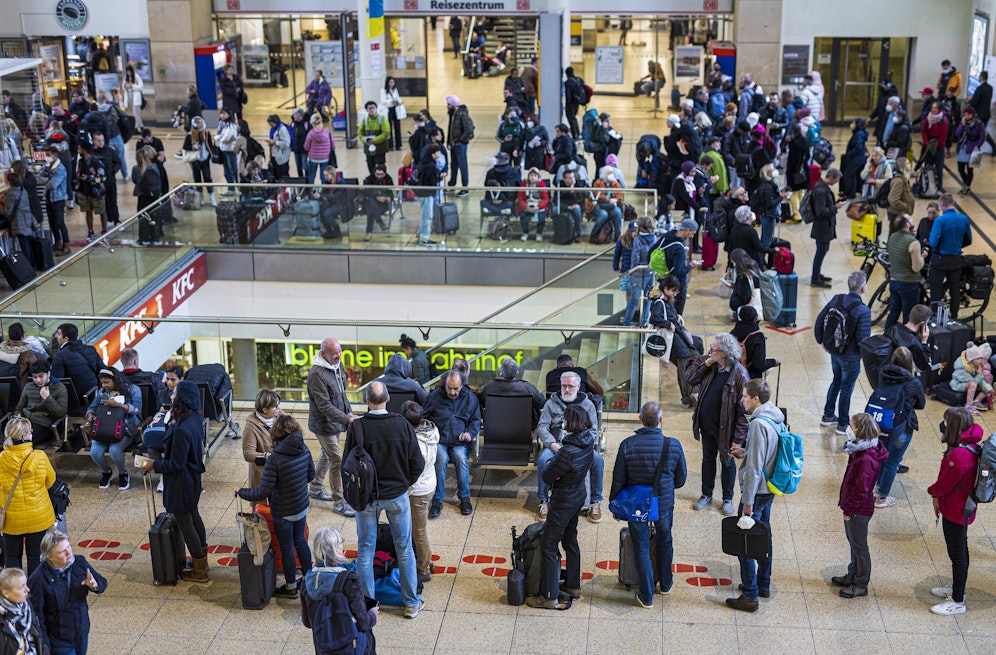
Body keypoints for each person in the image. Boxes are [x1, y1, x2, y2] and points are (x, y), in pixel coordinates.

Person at [345, 381, 426, 618]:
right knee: (404, 550)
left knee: (365, 550)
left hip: (366, 498)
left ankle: (369, 606)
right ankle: (411, 603)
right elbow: (417, 463)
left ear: (367, 401)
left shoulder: (357, 428)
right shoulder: (402, 425)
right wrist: (404, 483)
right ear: (388, 399)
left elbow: (347, 465)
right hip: (397, 496)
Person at [609, 400, 686, 608]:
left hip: (636, 503)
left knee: (641, 547)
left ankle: (646, 595)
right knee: (665, 539)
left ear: (640, 419)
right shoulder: (673, 444)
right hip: (663, 501)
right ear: (661, 420)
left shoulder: (627, 444)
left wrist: (615, 504)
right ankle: (666, 583)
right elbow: (681, 479)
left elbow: (618, 479)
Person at [138, 380, 209, 583]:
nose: (171, 397)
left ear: (181, 400)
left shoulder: (181, 429)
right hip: (192, 480)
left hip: (181, 484)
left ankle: (199, 568)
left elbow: (176, 463)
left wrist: (153, 465)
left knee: (186, 524)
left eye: (174, 394)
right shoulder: (195, 419)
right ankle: (202, 560)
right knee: (194, 516)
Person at [526, 404, 595, 610]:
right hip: (578, 496)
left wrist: (552, 466)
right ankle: (573, 585)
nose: (563, 423)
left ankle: (548, 596)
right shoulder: (588, 441)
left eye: (565, 419)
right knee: (570, 540)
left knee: (548, 545)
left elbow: (547, 475)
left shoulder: (568, 451)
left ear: (571, 423)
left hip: (563, 501)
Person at [237, 414, 315, 598]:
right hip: (302, 505)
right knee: (301, 541)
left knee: (287, 546)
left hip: (284, 511)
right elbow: (311, 475)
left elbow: (262, 492)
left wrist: (241, 491)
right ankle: (310, 581)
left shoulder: (275, 459)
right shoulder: (303, 448)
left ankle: (290, 587)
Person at [725, 378, 782, 612]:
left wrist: (747, 503)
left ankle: (749, 595)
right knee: (764, 533)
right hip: (769, 488)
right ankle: (763, 583)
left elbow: (755, 468)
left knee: (745, 542)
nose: (741, 400)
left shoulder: (758, 424)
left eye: (745, 396)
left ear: (756, 399)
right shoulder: (774, 414)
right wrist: (745, 451)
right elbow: (764, 450)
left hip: (757, 491)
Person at [685, 333, 749, 516]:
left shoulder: (739, 375)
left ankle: (727, 498)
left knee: (727, 462)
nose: (709, 351)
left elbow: (744, 413)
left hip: (726, 430)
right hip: (707, 425)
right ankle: (706, 494)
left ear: (725, 353)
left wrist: (738, 440)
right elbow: (689, 379)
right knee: (707, 459)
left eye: (714, 349)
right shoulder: (709, 363)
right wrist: (705, 363)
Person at [926, 407, 981, 615]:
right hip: (961, 506)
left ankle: (958, 600)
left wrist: (932, 492)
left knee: (957, 554)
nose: (943, 425)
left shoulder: (959, 454)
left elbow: (945, 484)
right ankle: (958, 588)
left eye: (946, 422)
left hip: (956, 509)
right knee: (960, 550)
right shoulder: (968, 445)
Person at [829, 412, 888, 600]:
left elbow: (861, 490)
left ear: (860, 431)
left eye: (851, 426)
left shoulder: (865, 459)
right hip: (855, 507)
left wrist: (849, 509)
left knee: (860, 546)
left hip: (858, 510)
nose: (848, 429)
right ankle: (852, 574)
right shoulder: (861, 450)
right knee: (853, 542)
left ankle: (860, 583)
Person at [535, 371, 603, 522]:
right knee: (543, 460)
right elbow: (542, 428)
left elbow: (593, 432)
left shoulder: (588, 405)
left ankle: (595, 501)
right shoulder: (551, 404)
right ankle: (543, 500)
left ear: (578, 387)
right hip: (556, 446)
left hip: (581, 447)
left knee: (597, 460)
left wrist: (581, 446)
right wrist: (551, 444)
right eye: (564, 386)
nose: (566, 389)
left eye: (570, 386)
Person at [28, 531, 107, 655]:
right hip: (59, 641)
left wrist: (95, 585)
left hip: (81, 633)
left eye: (68, 547)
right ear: (49, 557)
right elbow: (37, 616)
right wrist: (44, 645)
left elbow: (103, 583)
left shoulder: (79, 562)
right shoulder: (38, 579)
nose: (69, 552)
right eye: (62, 551)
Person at [300, 526, 378, 650]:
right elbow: (363, 622)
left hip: (324, 646)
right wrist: (372, 613)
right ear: (336, 550)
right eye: (341, 542)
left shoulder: (307, 581)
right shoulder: (348, 581)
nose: (342, 545)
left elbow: (308, 622)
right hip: (351, 646)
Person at [816, 271, 873, 436]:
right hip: (851, 357)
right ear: (863, 288)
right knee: (846, 388)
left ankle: (828, 415)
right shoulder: (863, 311)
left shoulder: (837, 299)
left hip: (835, 352)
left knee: (836, 381)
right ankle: (842, 423)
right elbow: (863, 339)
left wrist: (822, 341)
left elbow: (821, 318)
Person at [871, 347, 926, 509]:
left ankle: (877, 486)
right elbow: (921, 404)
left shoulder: (883, 373)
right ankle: (881, 497)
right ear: (910, 363)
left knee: (882, 456)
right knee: (892, 461)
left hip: (880, 422)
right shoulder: (912, 381)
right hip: (901, 426)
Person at [306, 337, 355, 517]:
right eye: (334, 353)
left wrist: (348, 412)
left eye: (340, 351)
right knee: (337, 460)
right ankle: (339, 503)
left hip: (337, 422)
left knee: (327, 456)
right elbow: (324, 406)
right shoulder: (317, 375)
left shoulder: (337, 365)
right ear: (323, 353)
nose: (338, 355)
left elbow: (342, 392)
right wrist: (346, 419)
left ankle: (316, 487)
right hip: (324, 425)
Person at [0, 418, 56, 575]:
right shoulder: (39, 457)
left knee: (11, 555)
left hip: (11, 518)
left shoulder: (1, 459)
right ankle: (34, 593)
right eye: (30, 431)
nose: (32, 433)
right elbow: (50, 481)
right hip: (38, 516)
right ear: (24, 436)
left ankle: (14, 592)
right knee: (35, 556)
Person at [423, 370, 481, 518]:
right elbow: (424, 417)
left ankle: (464, 497)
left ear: (462, 385)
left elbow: (475, 420)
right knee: (440, 458)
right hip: (440, 440)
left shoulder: (469, 397)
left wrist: (470, 433)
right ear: (445, 384)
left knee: (460, 458)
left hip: (460, 441)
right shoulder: (434, 397)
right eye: (450, 388)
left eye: (456, 388)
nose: (453, 392)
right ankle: (437, 500)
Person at [85, 367, 141, 490]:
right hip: (104, 427)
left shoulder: (133, 390)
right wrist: (90, 415)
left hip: (125, 427)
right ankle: (106, 471)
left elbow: (137, 411)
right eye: (102, 383)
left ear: (115, 380)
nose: (104, 386)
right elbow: (92, 407)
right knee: (95, 452)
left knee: (114, 451)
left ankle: (123, 473)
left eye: (107, 382)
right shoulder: (102, 392)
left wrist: (119, 405)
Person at [402, 401, 437, 583]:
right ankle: (427, 559)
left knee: (419, 531)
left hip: (418, 491)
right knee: (419, 529)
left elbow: (413, 472)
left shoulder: (417, 444)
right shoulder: (430, 431)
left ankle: (423, 569)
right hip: (429, 484)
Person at [649, 277, 696, 407]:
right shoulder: (660, 302)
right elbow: (654, 318)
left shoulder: (666, 300)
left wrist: (677, 317)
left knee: (688, 364)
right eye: (673, 291)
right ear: (666, 289)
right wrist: (668, 323)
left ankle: (690, 396)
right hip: (674, 340)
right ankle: (688, 397)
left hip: (677, 338)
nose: (675, 294)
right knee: (684, 368)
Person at [929, 193, 972, 319]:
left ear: (942, 204)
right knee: (954, 290)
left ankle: (936, 317)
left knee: (935, 290)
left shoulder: (940, 220)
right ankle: (954, 316)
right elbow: (968, 240)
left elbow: (933, 242)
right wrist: (956, 246)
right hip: (956, 260)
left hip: (940, 260)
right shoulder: (964, 218)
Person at [884, 215, 925, 330]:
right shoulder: (914, 243)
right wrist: (922, 257)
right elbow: (916, 268)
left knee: (894, 312)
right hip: (908, 284)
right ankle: (906, 342)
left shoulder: (892, 237)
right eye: (910, 219)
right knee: (909, 317)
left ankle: (886, 337)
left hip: (894, 282)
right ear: (907, 224)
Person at [480, 359, 545, 429]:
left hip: (494, 431)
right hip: (524, 432)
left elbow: (481, 403)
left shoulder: (489, 388)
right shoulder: (528, 388)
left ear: (500, 373)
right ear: (517, 372)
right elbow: (541, 403)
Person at [15, 361, 67, 448]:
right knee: (11, 438)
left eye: (41, 376)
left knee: (22, 442)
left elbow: (61, 413)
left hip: (45, 424)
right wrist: (17, 419)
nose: (38, 380)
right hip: (27, 422)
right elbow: (19, 408)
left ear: (48, 374)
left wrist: (48, 398)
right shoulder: (28, 387)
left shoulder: (59, 388)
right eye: (34, 377)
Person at [809, 168, 845, 288]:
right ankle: (815, 278)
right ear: (831, 178)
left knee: (823, 250)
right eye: (836, 180)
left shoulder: (822, 186)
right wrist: (836, 207)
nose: (836, 183)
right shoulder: (821, 190)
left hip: (825, 227)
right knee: (820, 252)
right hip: (822, 227)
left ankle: (817, 274)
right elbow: (821, 211)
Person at [0, 568, 45, 654]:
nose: (27, 589)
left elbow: (39, 638)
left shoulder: (26, 605)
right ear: (6, 593)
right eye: (21, 587)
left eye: (26, 584)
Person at [243, 388, 280, 489]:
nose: (278, 409)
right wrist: (270, 457)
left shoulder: (278, 416)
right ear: (264, 410)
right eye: (275, 407)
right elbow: (248, 454)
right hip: (263, 475)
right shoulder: (251, 427)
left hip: (280, 472)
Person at [625, 216, 658, 327]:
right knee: (648, 298)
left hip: (639, 273)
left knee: (634, 299)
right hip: (651, 272)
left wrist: (632, 271)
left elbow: (635, 258)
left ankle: (627, 322)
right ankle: (644, 322)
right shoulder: (655, 238)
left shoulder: (638, 240)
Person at [730, 305, 778, 380]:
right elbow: (759, 364)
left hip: (733, 373)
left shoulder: (732, 333)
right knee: (769, 369)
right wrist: (773, 362)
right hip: (750, 376)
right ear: (755, 318)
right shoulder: (758, 337)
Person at [182, 116, 217, 207]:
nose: (200, 125)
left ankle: (212, 197)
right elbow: (185, 147)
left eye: (201, 122)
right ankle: (200, 198)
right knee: (197, 179)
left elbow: (210, 145)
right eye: (198, 123)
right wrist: (194, 147)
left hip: (205, 159)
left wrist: (210, 155)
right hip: (195, 160)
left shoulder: (206, 133)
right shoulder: (190, 135)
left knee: (207, 178)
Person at [41, 144, 70, 255]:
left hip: (58, 199)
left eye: (48, 155)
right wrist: (47, 181)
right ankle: (57, 242)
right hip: (49, 199)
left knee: (60, 223)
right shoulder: (48, 167)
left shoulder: (60, 168)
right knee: (52, 222)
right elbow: (40, 179)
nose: (46, 157)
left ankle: (66, 244)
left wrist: (46, 181)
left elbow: (53, 184)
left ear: (55, 155)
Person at [414, 144, 444, 246]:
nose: (439, 153)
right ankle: (424, 238)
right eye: (438, 152)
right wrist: (440, 177)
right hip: (427, 194)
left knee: (424, 215)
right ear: (432, 153)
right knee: (427, 216)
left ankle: (419, 234)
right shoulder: (431, 166)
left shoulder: (423, 162)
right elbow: (432, 180)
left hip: (420, 193)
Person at [950, 343, 993, 413]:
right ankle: (968, 406)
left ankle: (976, 401)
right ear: (971, 359)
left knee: (988, 387)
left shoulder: (975, 366)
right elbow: (973, 381)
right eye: (978, 358)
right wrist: (979, 374)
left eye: (981, 358)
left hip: (970, 383)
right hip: (958, 384)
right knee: (973, 384)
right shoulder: (962, 368)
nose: (981, 360)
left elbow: (980, 381)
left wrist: (989, 389)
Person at [726, 204, 771, 271]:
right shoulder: (751, 231)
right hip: (750, 264)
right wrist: (773, 250)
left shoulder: (734, 230)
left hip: (738, 263)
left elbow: (730, 248)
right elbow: (759, 247)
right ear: (747, 217)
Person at [955, 107, 985, 195]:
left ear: (972, 115)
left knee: (970, 169)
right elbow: (957, 134)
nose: (966, 116)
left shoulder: (979, 124)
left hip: (972, 149)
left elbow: (982, 137)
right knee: (960, 168)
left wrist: (977, 147)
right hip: (962, 147)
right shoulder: (963, 123)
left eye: (968, 114)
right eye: (965, 114)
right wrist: (962, 125)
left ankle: (967, 186)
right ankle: (965, 183)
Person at [921, 101, 949, 193]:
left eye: (935, 108)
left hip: (939, 147)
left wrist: (936, 145)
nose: (933, 110)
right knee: (928, 166)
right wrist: (926, 142)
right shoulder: (928, 118)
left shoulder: (943, 120)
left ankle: (939, 187)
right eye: (932, 108)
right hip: (929, 145)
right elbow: (924, 131)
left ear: (939, 109)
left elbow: (944, 134)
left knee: (939, 167)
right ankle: (927, 186)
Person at [516, 167, 549, 242]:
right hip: (526, 206)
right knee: (523, 217)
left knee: (541, 218)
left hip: (539, 206)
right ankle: (525, 232)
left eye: (535, 175)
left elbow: (546, 199)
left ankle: (539, 233)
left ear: (538, 177)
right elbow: (520, 198)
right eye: (531, 175)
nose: (533, 177)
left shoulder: (542, 185)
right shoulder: (524, 184)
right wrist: (526, 206)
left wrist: (538, 206)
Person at [358, 101, 390, 175]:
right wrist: (364, 140)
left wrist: (374, 140)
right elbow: (360, 132)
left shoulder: (382, 118)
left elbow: (386, 132)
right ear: (366, 110)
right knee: (370, 166)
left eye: (373, 108)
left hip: (380, 148)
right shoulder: (365, 119)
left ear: (376, 109)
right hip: (369, 149)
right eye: (369, 108)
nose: (371, 110)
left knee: (380, 166)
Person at [840, 118, 869, 199]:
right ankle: (851, 193)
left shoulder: (859, 134)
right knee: (852, 176)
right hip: (858, 159)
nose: (852, 124)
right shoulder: (860, 133)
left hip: (855, 159)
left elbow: (858, 148)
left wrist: (848, 154)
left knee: (848, 176)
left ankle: (848, 193)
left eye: (853, 122)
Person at [968, 70, 996, 154]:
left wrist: (970, 100)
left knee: (980, 132)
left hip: (979, 113)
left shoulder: (980, 88)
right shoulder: (990, 88)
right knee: (982, 132)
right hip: (987, 113)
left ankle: (977, 148)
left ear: (980, 77)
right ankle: (993, 147)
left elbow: (975, 101)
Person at [728, 248, 760, 320]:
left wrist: (733, 303)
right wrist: (735, 285)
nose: (734, 265)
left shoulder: (743, 276)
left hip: (747, 309)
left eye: (734, 262)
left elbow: (744, 297)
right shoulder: (753, 266)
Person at [885, 158, 915, 233]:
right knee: (894, 237)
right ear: (902, 166)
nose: (910, 165)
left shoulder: (904, 179)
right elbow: (893, 199)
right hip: (897, 214)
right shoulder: (899, 181)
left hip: (901, 214)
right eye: (907, 163)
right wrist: (904, 206)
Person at [302, 113, 333, 185]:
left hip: (313, 158)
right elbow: (333, 144)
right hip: (325, 157)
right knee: (324, 175)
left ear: (312, 124)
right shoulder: (327, 131)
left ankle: (311, 191)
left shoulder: (310, 134)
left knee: (312, 175)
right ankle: (324, 191)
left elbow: (306, 147)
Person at [266, 114, 293, 180]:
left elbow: (286, 143)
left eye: (271, 124)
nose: (271, 126)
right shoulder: (274, 129)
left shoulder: (282, 129)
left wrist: (275, 142)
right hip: (275, 156)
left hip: (282, 158)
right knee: (275, 176)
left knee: (282, 177)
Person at [563, 67, 585, 140]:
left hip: (571, 103)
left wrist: (567, 105)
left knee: (571, 118)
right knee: (573, 118)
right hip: (577, 102)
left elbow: (568, 95)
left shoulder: (568, 83)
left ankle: (574, 134)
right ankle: (578, 133)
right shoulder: (579, 80)